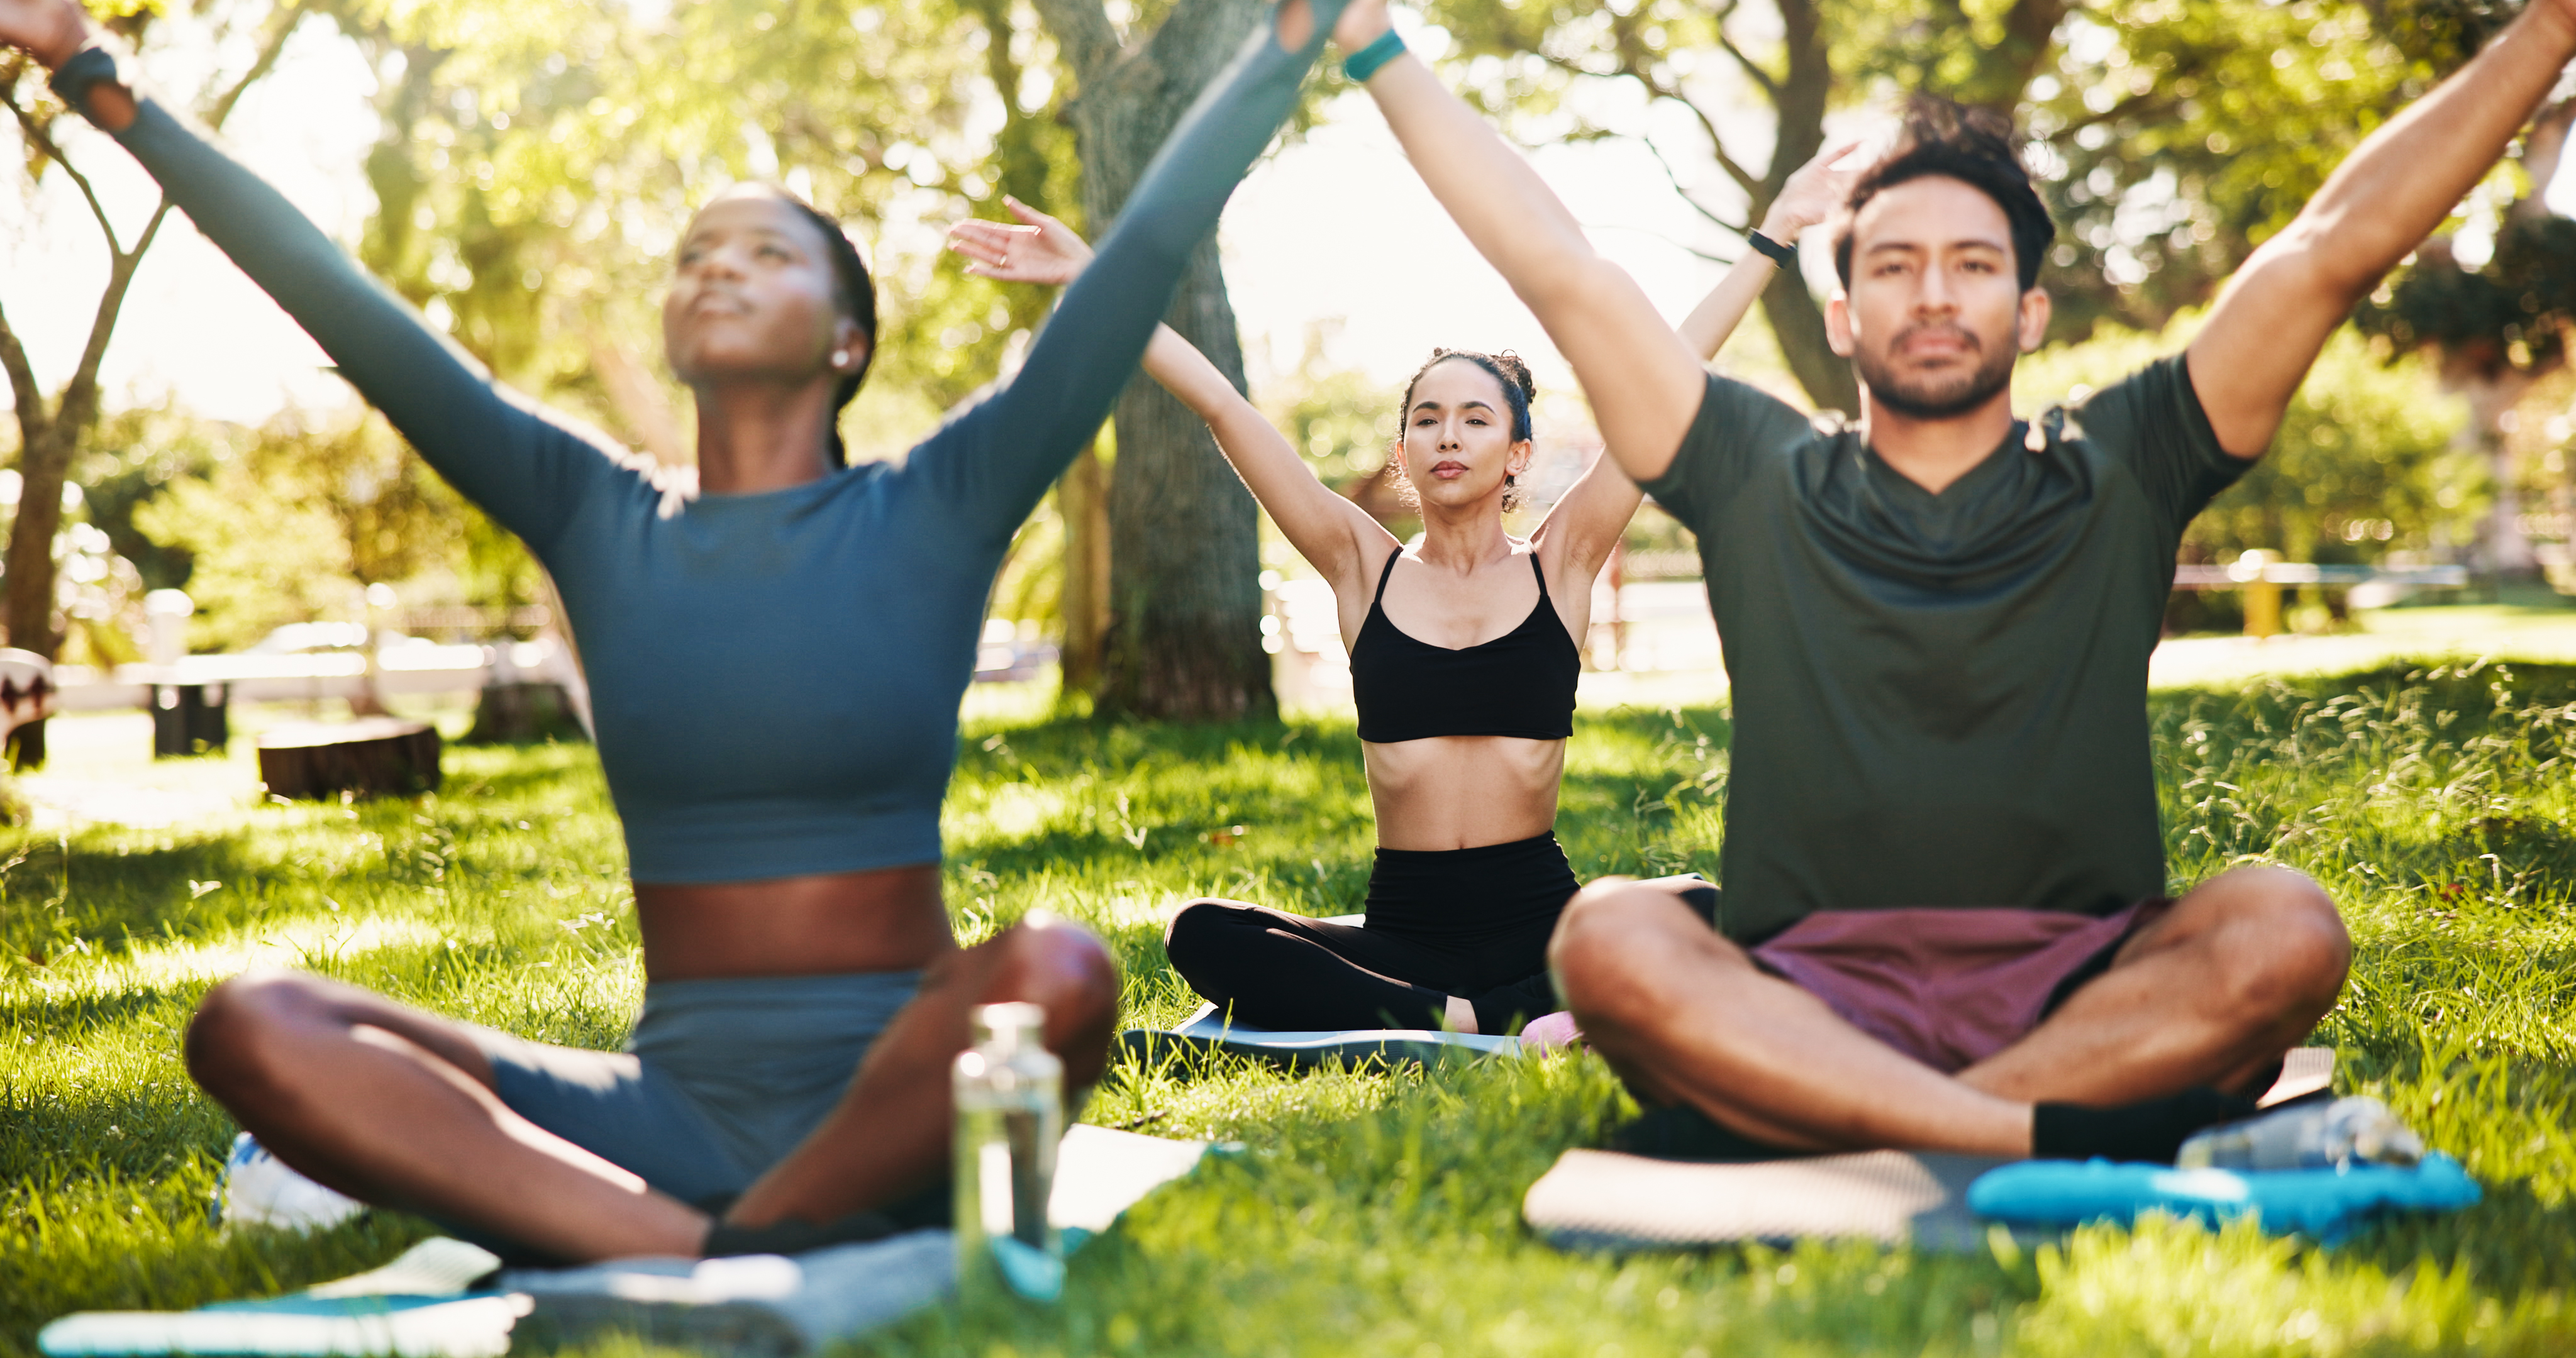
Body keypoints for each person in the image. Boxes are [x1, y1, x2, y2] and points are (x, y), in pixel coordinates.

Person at [3, 0, 1350, 1260]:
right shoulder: (593, 512)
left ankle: (701, 1246)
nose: (719, 269)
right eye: (696, 256)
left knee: (1055, 967)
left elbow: (1135, 266)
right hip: (667, 1106)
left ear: (845, 340)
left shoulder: (940, 499)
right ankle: (735, 1254)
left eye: (768, 253)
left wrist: (1283, 44)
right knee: (256, 1021)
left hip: (898, 1074)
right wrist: (94, 77)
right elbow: (337, 296)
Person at [1319, 0, 2575, 1162]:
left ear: (2028, 311)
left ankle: (1880, 1119)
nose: (1931, 291)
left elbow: (2325, 249)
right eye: (1892, 264)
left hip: (2083, 982)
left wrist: (2548, 28)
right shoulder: (1755, 473)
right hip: (1803, 989)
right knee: (1604, 935)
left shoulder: (2123, 464)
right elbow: (1562, 266)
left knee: (2284, 924)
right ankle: (2053, 1136)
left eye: (1971, 264)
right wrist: (1376, 48)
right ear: (1841, 317)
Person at [943, 143, 1855, 1038]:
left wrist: (1773, 236)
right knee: (1200, 932)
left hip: (1546, 927)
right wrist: (1093, 282)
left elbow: (1666, 381)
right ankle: (1483, 1021)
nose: (1448, 435)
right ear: (1404, 450)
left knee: (1707, 903)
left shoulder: (1562, 561)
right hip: (1402, 939)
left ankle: (1466, 1016)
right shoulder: (1360, 565)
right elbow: (1224, 406)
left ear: (1517, 455)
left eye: (1475, 418)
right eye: (1427, 418)